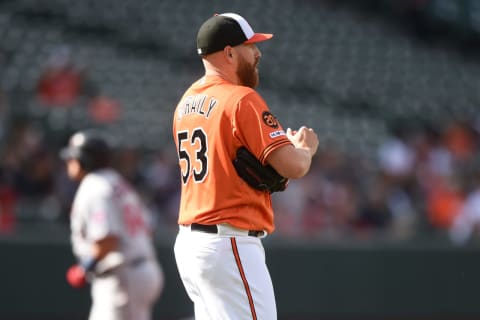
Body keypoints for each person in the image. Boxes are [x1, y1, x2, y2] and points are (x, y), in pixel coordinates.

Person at [172, 13, 319, 319]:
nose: (257, 53)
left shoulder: (185, 103)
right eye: (250, 45)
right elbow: (294, 167)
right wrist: (304, 148)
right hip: (229, 243)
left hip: (191, 244)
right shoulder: (241, 99)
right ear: (229, 52)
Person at [60, 130, 164, 320]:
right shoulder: (117, 182)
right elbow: (148, 226)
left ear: (84, 159)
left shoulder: (95, 186)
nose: (69, 162)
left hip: (123, 274)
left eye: (73, 158)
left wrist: (84, 268)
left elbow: (107, 239)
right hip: (137, 268)